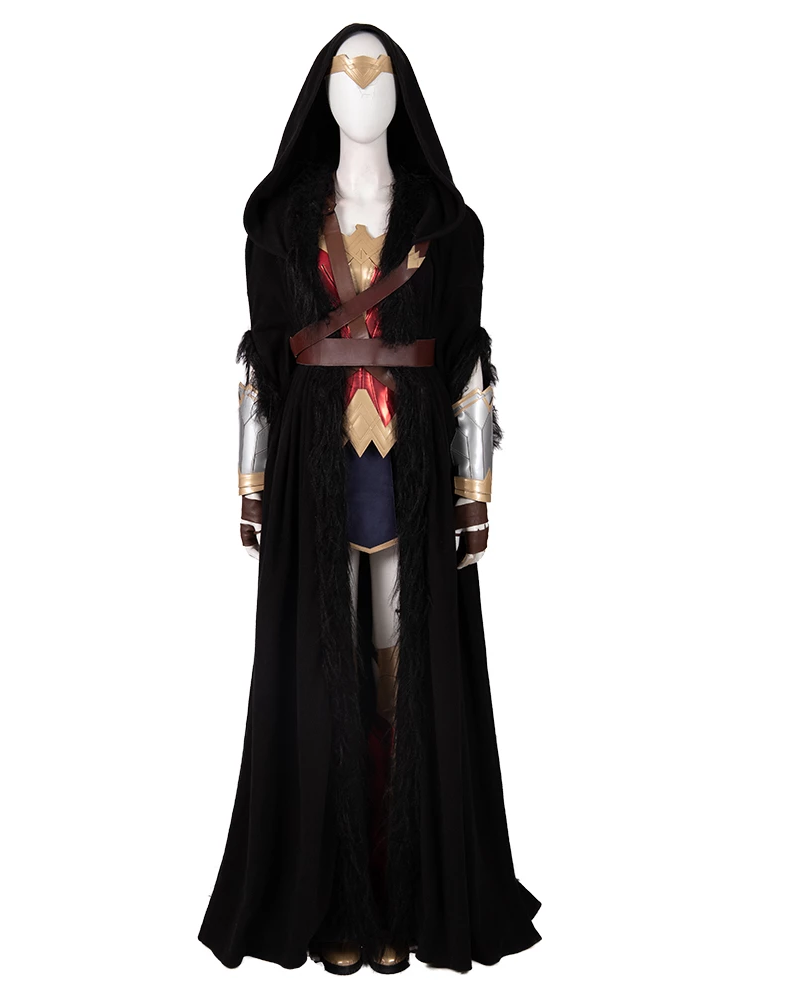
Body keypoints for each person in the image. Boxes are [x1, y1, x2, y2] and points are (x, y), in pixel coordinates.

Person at [198, 22, 541, 975]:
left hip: (414, 477)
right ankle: (333, 902)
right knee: (321, 684)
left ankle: (405, 898)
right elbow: (261, 363)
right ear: (322, 90)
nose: (361, 87)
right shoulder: (278, 227)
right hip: (314, 476)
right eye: (346, 73)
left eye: (378, 70)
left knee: (403, 681)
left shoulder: (448, 228)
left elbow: (468, 362)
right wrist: (251, 485)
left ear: (402, 89)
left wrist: (473, 494)